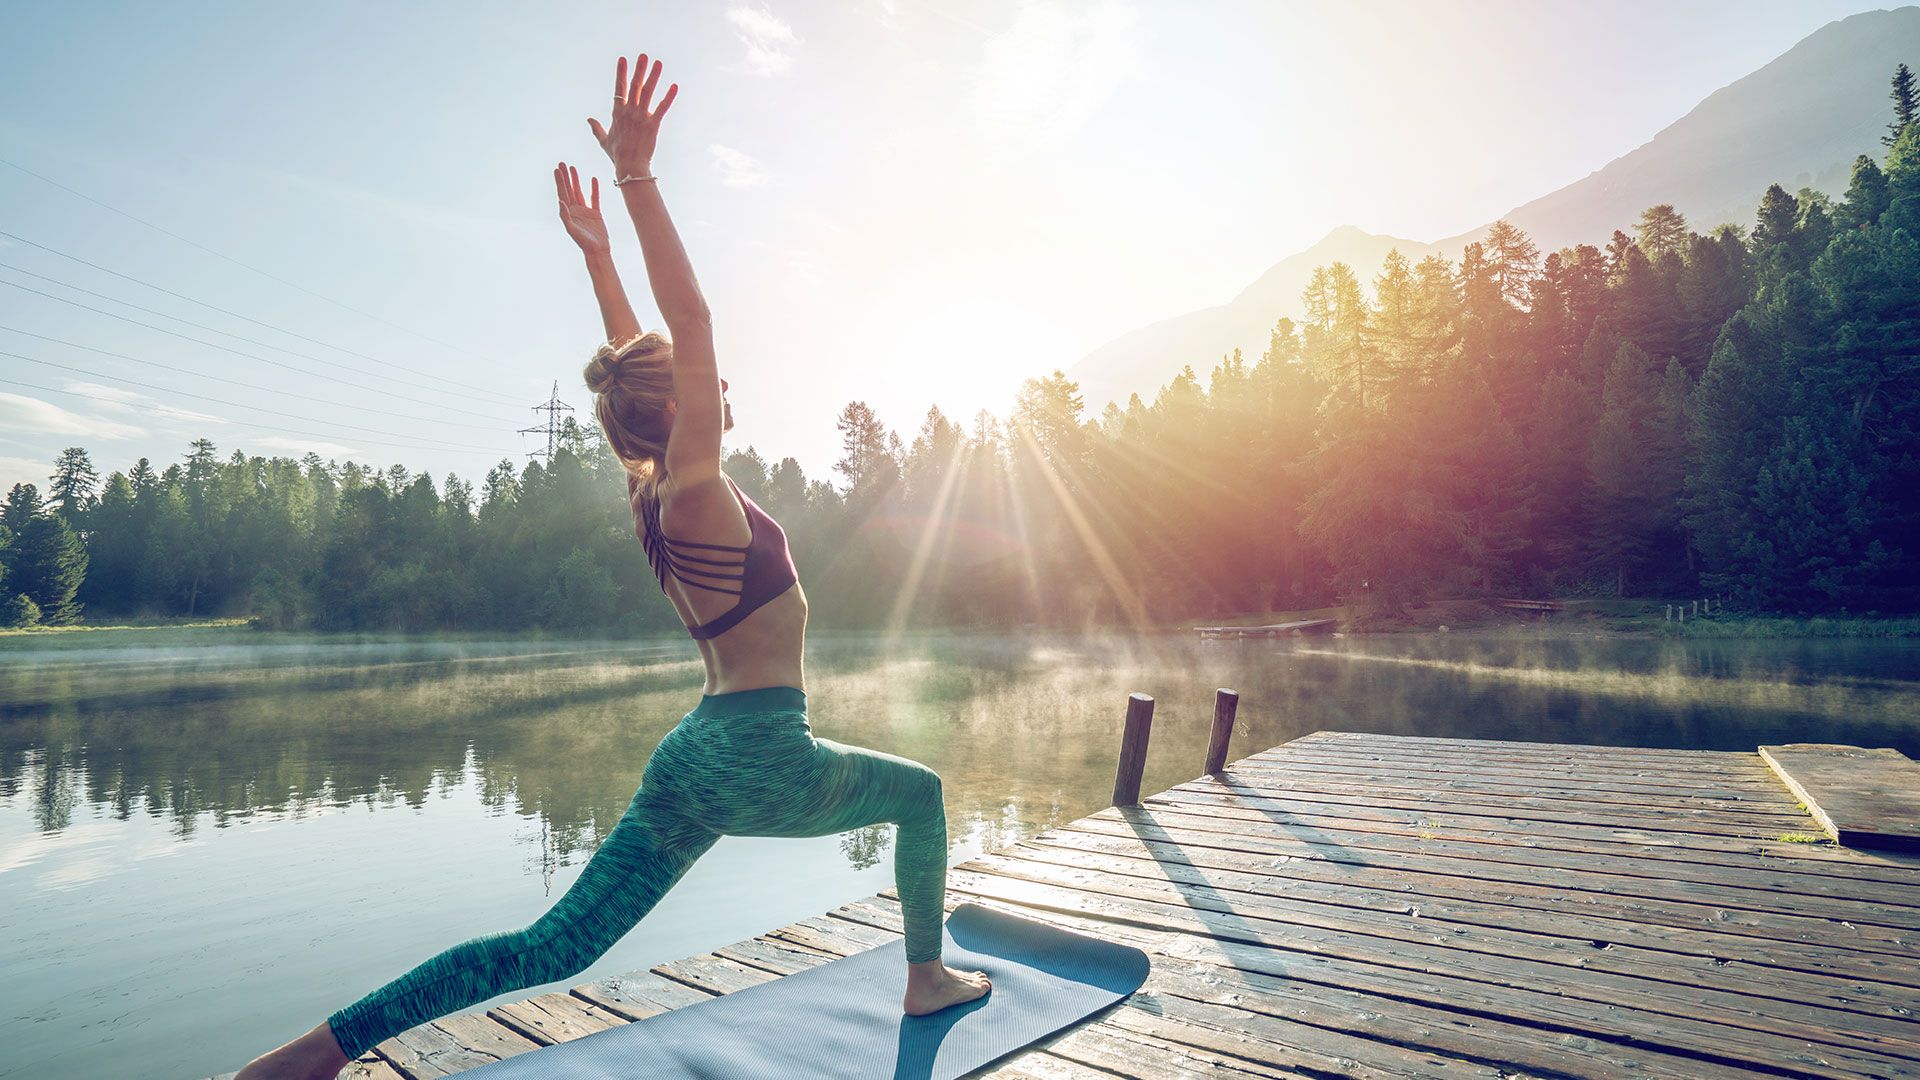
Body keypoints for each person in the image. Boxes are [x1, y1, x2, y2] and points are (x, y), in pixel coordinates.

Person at [234, 52, 988, 1080]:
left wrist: (596, 259)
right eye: (706, 382)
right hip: (763, 755)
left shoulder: (653, 493)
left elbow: (643, 361)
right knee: (926, 792)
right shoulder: (693, 489)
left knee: (549, 948)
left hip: (692, 757)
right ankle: (924, 977)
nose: (725, 384)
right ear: (679, 406)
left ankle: (306, 1057)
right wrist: (636, 184)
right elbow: (691, 328)